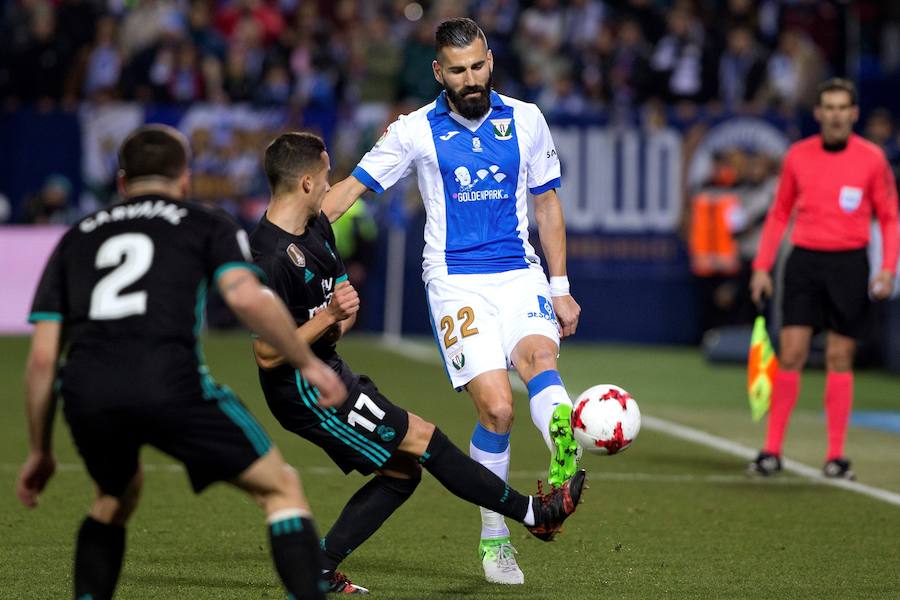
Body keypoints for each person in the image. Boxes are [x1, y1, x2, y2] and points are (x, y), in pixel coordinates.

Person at [15, 124, 347, 600]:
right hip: (170, 383)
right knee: (281, 489)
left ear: (123, 182)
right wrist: (310, 364)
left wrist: (40, 451)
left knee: (113, 498)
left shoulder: (77, 236)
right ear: (185, 178)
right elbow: (248, 298)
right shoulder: (205, 222)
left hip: (89, 392)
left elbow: (44, 359)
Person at [251, 132, 586, 593]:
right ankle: (535, 513)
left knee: (401, 473)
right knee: (424, 439)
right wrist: (330, 316)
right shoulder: (267, 256)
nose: (333, 186)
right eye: (328, 177)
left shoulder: (316, 229)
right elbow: (267, 353)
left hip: (327, 368)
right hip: (303, 389)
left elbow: (338, 307)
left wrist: (337, 318)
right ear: (307, 183)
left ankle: (319, 568)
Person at [322, 17, 582, 584]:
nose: (471, 79)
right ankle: (495, 540)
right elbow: (352, 189)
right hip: (455, 282)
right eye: (458, 71)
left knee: (539, 360)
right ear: (439, 72)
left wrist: (559, 289)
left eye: (479, 67)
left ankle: (566, 448)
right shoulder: (413, 130)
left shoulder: (526, 119)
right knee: (498, 409)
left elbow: (547, 206)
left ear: (491, 61)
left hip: (519, 272)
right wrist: (288, 232)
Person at [748, 79, 899, 480]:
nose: (835, 114)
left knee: (839, 357)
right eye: (828, 107)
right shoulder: (798, 156)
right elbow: (780, 213)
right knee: (792, 352)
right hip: (805, 262)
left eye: (842, 107)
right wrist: (762, 267)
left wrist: (888, 268)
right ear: (818, 113)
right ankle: (772, 450)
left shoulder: (872, 159)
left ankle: (836, 457)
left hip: (850, 264)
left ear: (854, 113)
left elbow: (889, 216)